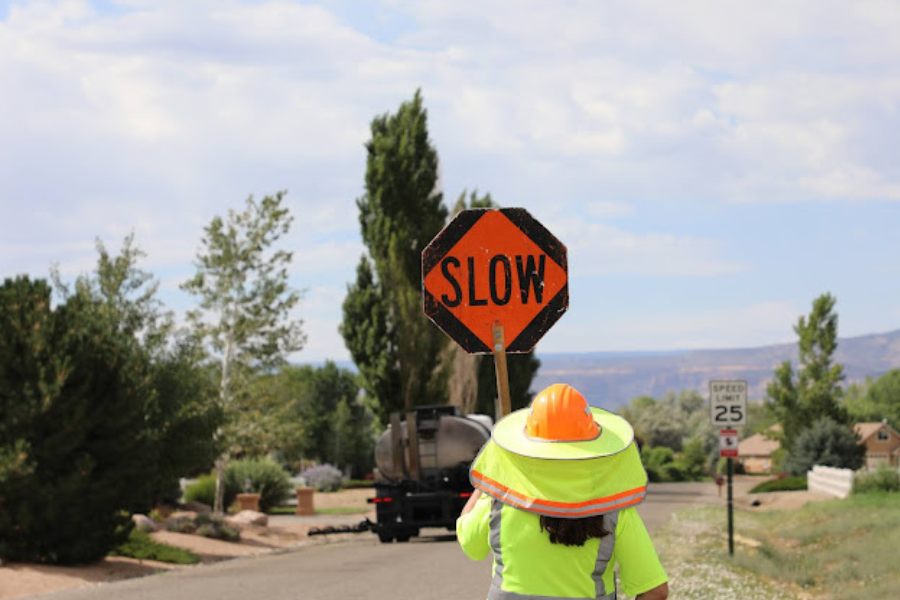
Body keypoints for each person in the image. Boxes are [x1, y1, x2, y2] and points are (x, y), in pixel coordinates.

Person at [457, 383, 669, 600]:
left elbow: (471, 546)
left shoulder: (500, 501)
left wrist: (491, 483)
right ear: (595, 447)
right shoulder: (614, 509)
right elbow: (654, 590)